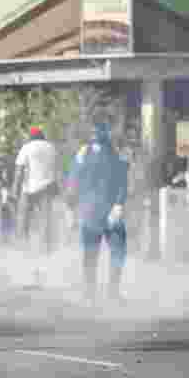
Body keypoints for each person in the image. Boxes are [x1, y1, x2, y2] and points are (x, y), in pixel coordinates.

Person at [66, 121, 129, 302]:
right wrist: (118, 204)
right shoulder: (116, 152)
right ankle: (108, 292)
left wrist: (71, 206)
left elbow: (72, 180)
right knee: (116, 250)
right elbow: (122, 180)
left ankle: (92, 292)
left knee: (92, 252)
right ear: (107, 133)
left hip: (92, 211)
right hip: (106, 211)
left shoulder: (83, 153)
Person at [14, 126, 60, 282]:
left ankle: (23, 248)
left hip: (30, 190)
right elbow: (57, 169)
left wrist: (15, 191)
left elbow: (19, 171)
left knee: (23, 221)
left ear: (30, 137)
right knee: (46, 223)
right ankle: (47, 253)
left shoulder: (26, 148)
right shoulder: (51, 147)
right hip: (48, 188)